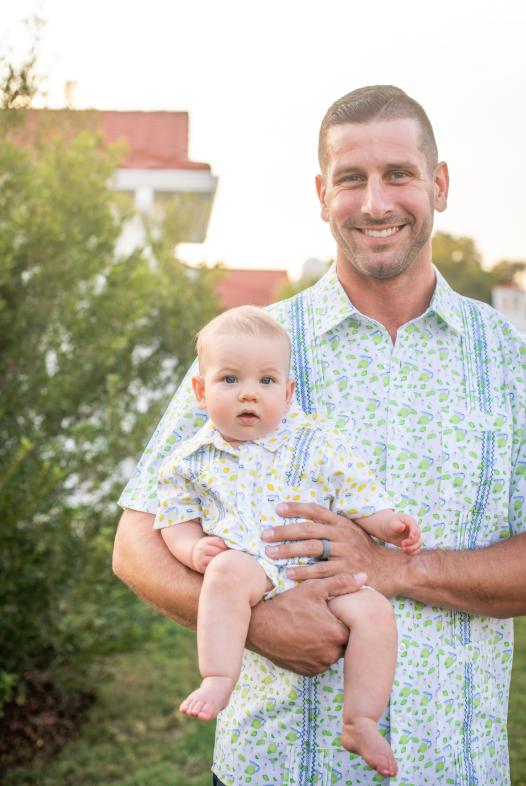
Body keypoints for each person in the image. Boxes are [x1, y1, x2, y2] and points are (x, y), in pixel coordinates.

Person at [113, 85, 526, 786]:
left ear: (440, 184)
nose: (375, 203)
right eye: (351, 179)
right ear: (321, 193)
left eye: (398, 174)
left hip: (456, 767)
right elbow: (135, 546)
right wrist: (259, 623)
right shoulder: (248, 350)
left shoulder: (510, 359)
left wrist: (402, 569)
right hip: (275, 768)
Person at [155, 305, 422, 777]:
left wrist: (388, 525)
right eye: (230, 380)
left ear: (288, 391)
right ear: (200, 391)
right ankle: (218, 675)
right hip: (251, 568)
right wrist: (191, 548)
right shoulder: (189, 459)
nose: (249, 395)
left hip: (318, 571)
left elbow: (356, 491)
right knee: (224, 573)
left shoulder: (315, 440)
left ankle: (361, 719)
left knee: (375, 613)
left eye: (265, 381)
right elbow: (175, 518)